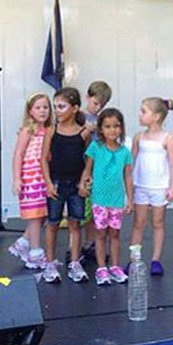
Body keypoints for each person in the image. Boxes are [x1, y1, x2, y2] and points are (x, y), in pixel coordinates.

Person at [41, 87, 91, 283]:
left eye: (61, 106)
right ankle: (50, 263)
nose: (57, 111)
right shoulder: (51, 131)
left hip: (76, 184)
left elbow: (89, 160)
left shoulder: (83, 133)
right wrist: (48, 183)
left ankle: (75, 263)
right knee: (52, 223)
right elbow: (44, 159)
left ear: (75, 108)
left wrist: (84, 181)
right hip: (56, 183)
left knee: (75, 224)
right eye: (55, 107)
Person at [79, 108, 133, 285]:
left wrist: (129, 199)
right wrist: (83, 184)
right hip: (99, 199)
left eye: (116, 126)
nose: (112, 130)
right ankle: (102, 268)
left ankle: (115, 267)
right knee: (100, 234)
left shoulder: (124, 152)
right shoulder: (95, 147)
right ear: (101, 129)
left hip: (116, 200)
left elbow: (127, 176)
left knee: (115, 234)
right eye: (108, 126)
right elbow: (88, 169)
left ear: (122, 128)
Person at [129, 97, 173, 276]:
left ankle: (156, 259)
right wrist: (127, 185)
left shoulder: (168, 138)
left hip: (159, 187)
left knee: (158, 223)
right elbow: (131, 161)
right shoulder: (138, 137)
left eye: (143, 111)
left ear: (156, 116)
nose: (140, 114)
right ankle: (134, 259)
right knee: (138, 223)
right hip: (141, 185)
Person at [8, 93, 52, 270]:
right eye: (38, 107)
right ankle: (35, 252)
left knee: (43, 214)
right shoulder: (28, 130)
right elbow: (18, 154)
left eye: (45, 107)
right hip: (30, 177)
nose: (42, 111)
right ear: (30, 111)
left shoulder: (48, 130)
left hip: (44, 177)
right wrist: (17, 178)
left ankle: (23, 242)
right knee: (34, 215)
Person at [80, 81, 113, 260]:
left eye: (101, 105)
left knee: (96, 210)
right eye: (95, 103)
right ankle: (75, 247)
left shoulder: (101, 120)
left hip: (98, 169)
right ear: (87, 97)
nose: (97, 107)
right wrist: (86, 129)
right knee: (80, 211)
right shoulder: (79, 116)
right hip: (81, 166)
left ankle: (90, 243)